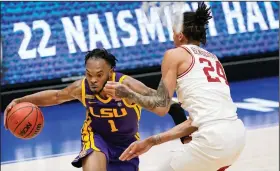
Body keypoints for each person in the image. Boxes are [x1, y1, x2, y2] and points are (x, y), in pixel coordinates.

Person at [104, 2, 246, 171]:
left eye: (172, 33)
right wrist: (151, 141)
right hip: (237, 137)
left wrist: (127, 94)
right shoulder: (213, 58)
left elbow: (161, 106)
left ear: (179, 35)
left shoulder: (175, 54)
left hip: (213, 140)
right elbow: (197, 121)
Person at [3, 48, 187, 171]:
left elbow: (161, 101)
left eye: (99, 75)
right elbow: (56, 96)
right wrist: (21, 99)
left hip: (127, 143)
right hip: (97, 137)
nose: (93, 80)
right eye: (89, 74)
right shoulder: (82, 87)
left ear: (111, 71)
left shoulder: (126, 84)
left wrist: (183, 126)